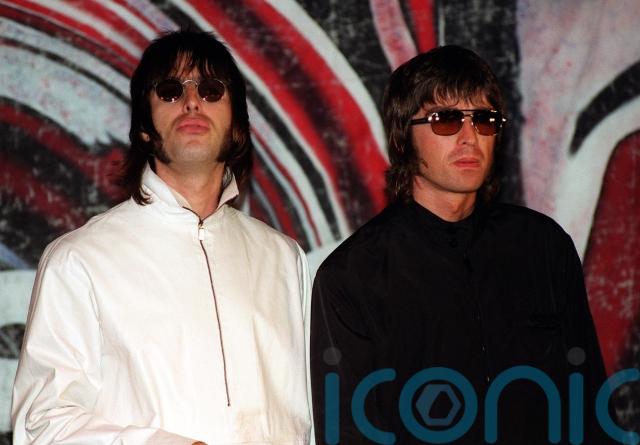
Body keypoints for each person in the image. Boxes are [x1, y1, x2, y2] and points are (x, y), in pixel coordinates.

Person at [12, 30, 311, 445]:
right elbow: (42, 424)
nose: (192, 102)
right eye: (170, 90)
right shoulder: (78, 260)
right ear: (144, 129)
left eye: (210, 90)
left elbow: (312, 416)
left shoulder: (284, 259)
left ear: (237, 127)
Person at [310, 46, 612, 444]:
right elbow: (350, 432)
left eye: (484, 120)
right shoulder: (353, 277)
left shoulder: (542, 246)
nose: (469, 137)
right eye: (446, 120)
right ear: (403, 136)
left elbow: (589, 405)